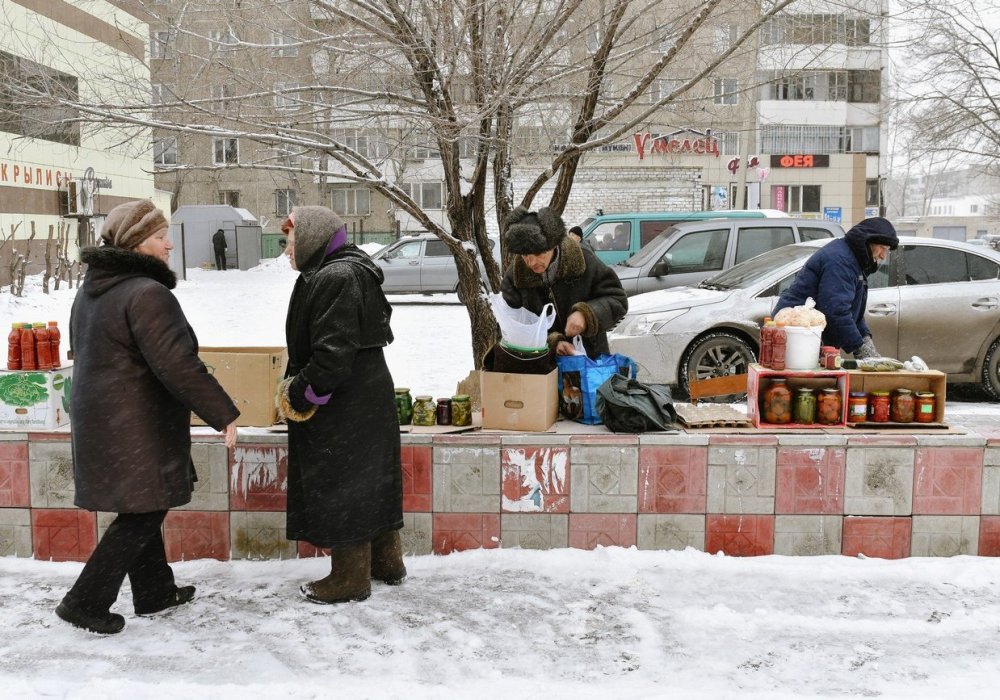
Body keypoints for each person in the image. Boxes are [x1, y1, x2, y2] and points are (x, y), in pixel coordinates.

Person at [57, 199, 239, 635]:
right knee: (144, 509)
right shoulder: (147, 294)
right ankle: (83, 602)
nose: (168, 245)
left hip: (106, 421)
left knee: (144, 502)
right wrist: (223, 413)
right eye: (161, 237)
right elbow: (178, 364)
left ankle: (155, 591)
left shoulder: (93, 290)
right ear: (138, 243)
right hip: (137, 423)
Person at [276, 205, 405, 605]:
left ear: (313, 238)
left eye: (291, 242)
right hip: (363, 395)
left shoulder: (336, 275)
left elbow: (333, 353)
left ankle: (350, 579)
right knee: (370, 479)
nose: (286, 251)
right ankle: (386, 562)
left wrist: (302, 393)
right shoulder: (341, 270)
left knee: (345, 484)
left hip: (345, 401)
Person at [501, 206, 628, 359]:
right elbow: (512, 325)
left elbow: (617, 300)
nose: (532, 262)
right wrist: (552, 342)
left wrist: (587, 315)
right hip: (544, 364)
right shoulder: (515, 276)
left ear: (554, 245)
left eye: (539, 253)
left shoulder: (584, 261)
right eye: (525, 255)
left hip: (591, 360)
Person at [772, 216, 899, 359]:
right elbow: (836, 310)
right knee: (800, 380)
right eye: (882, 248)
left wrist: (865, 340)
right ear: (867, 241)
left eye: (887, 250)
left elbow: (853, 313)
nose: (883, 256)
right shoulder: (840, 261)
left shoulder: (854, 261)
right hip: (797, 333)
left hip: (810, 336)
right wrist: (859, 347)